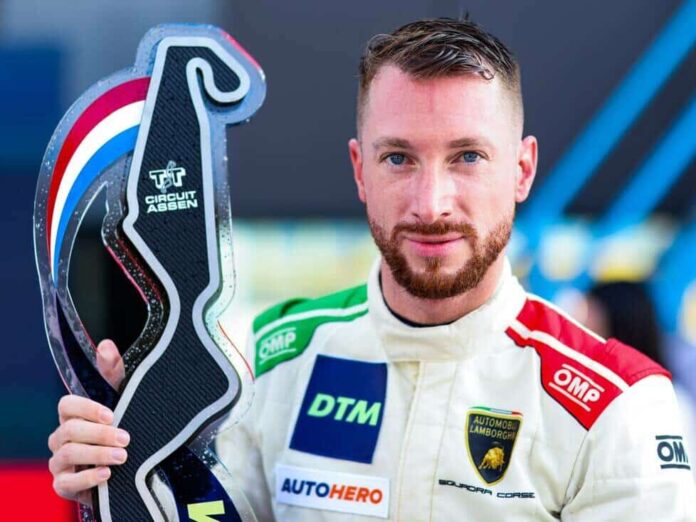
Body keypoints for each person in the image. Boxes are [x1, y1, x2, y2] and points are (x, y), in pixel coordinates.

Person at [47, 17, 696, 520]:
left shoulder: (617, 407)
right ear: (360, 170)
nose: (431, 204)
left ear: (522, 169)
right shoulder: (273, 360)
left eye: (468, 157)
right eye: (399, 159)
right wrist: (132, 467)